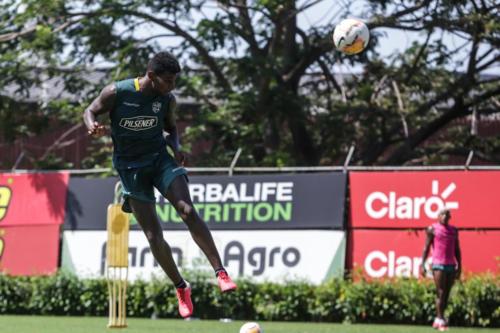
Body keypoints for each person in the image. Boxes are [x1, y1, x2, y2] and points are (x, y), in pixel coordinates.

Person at [83, 51, 237, 318]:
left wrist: (175, 148)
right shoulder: (116, 92)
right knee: (153, 235)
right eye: (168, 80)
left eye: (175, 80)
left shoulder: (166, 99)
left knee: (187, 211)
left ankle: (220, 272)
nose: (173, 86)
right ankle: (181, 287)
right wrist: (92, 125)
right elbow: (90, 110)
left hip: (160, 161)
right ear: (151, 76)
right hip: (130, 168)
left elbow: (171, 128)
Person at [421, 208, 462, 331]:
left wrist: (459, 265)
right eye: (442, 214)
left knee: (446, 294)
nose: (444, 216)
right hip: (438, 264)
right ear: (438, 216)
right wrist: (422, 264)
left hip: (451, 264)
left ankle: (438, 319)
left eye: (447, 215)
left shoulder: (454, 230)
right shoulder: (432, 229)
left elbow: (457, 249)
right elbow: (426, 247)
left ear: (450, 217)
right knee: (441, 292)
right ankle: (440, 319)